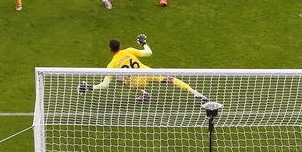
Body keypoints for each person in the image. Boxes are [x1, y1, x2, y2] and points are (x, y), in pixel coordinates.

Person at [78, 35, 209, 103]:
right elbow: (149, 53)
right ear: (120, 46)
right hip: (148, 73)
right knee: (171, 79)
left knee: (119, 79)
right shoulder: (129, 50)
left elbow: (105, 85)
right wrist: (143, 43)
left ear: (110, 49)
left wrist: (89, 87)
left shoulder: (111, 65)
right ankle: (195, 93)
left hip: (136, 84)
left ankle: (145, 94)